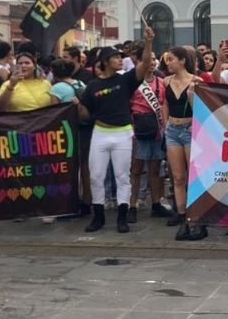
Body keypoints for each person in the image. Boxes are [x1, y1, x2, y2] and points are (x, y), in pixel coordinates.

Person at [77, 27, 155, 234]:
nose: (120, 60)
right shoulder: (92, 86)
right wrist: (79, 105)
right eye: (115, 57)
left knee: (122, 177)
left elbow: (145, 63)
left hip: (122, 134)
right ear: (104, 62)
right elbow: (84, 114)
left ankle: (122, 217)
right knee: (96, 176)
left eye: (121, 57)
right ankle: (99, 216)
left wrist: (148, 42)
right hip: (100, 133)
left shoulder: (125, 79)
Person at [162, 47, 205, 241]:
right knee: (178, 177)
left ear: (182, 60)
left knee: (193, 176)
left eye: (171, 59)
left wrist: (191, 96)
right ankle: (182, 216)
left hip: (190, 130)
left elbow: (203, 110)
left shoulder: (196, 82)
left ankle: (195, 219)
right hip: (173, 130)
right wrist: (165, 124)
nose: (168, 63)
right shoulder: (166, 81)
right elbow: (165, 103)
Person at [128, 48, 171, 225]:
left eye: (154, 59)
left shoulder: (161, 82)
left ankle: (155, 204)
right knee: (136, 170)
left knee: (155, 169)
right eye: (149, 59)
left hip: (156, 129)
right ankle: (132, 206)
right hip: (139, 129)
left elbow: (164, 105)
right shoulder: (133, 82)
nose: (152, 62)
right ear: (139, 61)